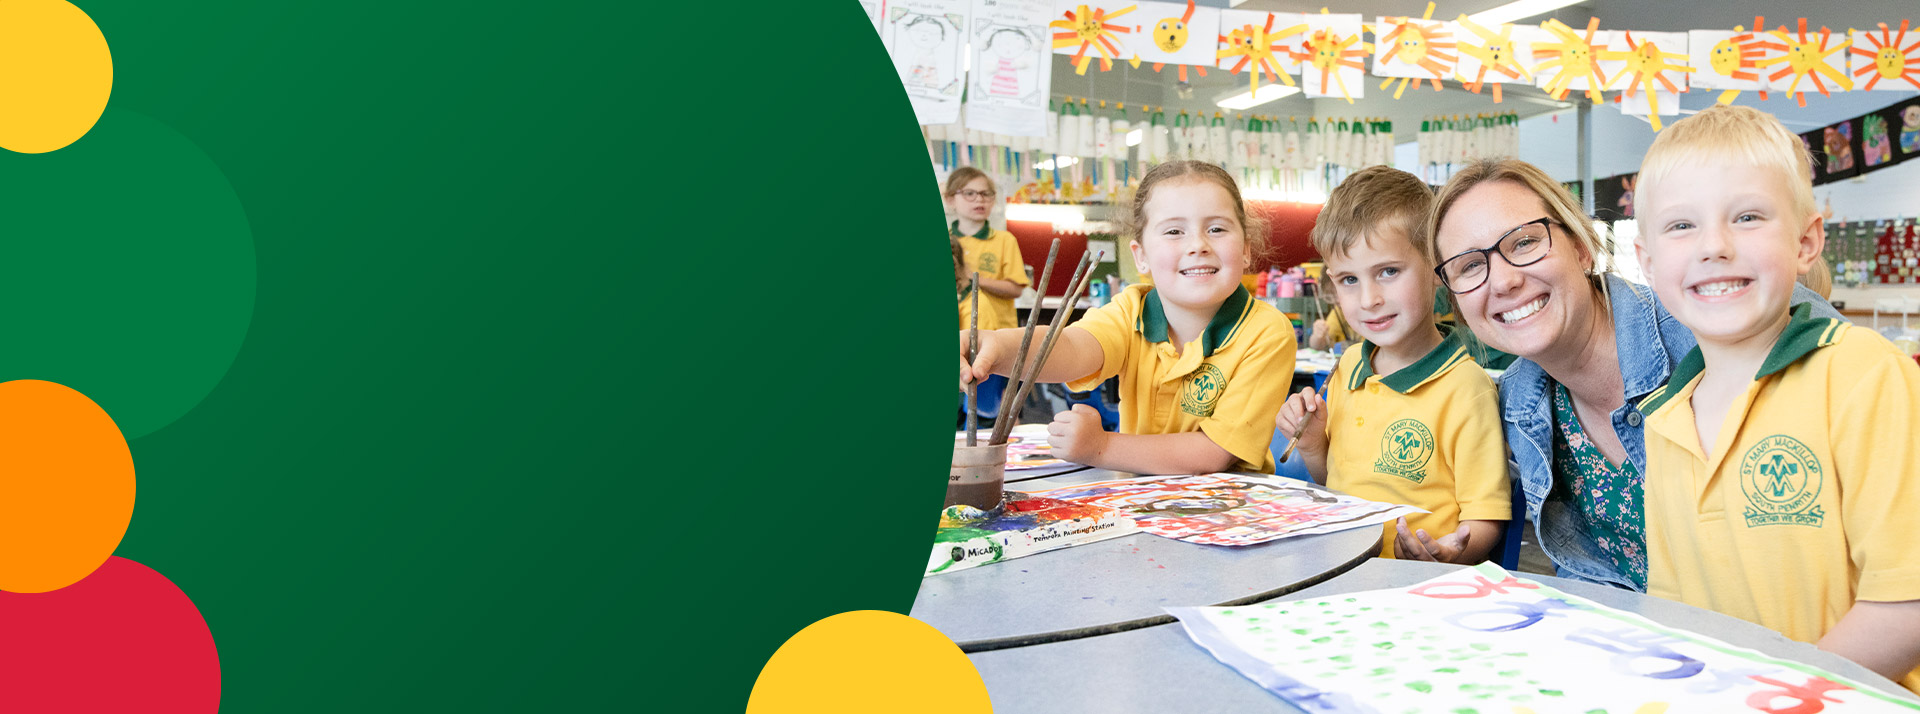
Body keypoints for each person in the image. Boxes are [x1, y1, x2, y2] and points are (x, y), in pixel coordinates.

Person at [1428, 158, 1841, 592]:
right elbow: (1588, 572)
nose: (1503, 281)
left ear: (1582, 247)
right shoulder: (1518, 401)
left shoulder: (1710, 318)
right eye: (1469, 266)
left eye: (1525, 242)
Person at [1631, 105, 1920, 689]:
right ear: (1648, 263)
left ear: (1806, 241)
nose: (1714, 246)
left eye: (1747, 217)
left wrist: (1769, 692)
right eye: (1681, 226)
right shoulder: (1663, 416)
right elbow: (1672, 609)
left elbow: (1906, 605)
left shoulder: (1864, 374)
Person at [959, 160, 1295, 474]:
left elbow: (1214, 453)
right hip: (1138, 502)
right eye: (1174, 232)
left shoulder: (1266, 331)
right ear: (1141, 256)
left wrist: (1101, 447)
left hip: (1231, 509)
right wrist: (995, 345)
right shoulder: (1130, 310)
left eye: (1217, 229)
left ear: (1246, 249)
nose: (1198, 245)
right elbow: (1072, 348)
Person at [1276, 166, 1508, 562]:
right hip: (1338, 568)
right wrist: (1313, 445)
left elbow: (1487, 518)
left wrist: (1446, 555)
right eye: (1349, 280)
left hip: (1414, 583)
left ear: (1436, 266)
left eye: (1388, 272)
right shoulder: (1349, 365)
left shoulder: (1466, 388)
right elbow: (1338, 483)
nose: (1369, 300)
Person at [948, 167, 1028, 423]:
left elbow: (1016, 287)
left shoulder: (1004, 240)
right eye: (969, 193)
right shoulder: (946, 239)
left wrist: (973, 278)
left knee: (999, 411)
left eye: (985, 194)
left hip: (1000, 336)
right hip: (958, 338)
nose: (979, 200)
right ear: (950, 199)